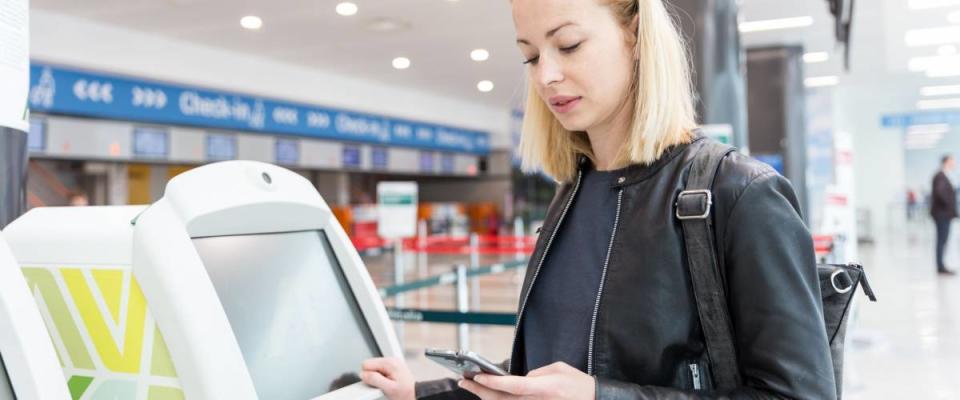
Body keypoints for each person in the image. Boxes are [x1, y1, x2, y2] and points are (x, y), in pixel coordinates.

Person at [360, 0, 836, 398]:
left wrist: (599, 396)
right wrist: (420, 393)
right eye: (530, 56)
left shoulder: (740, 194)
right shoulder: (571, 196)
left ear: (634, 35)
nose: (545, 75)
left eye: (568, 45)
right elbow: (549, 368)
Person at [931, 154, 957, 276]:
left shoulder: (944, 176)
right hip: (942, 214)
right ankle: (940, 266)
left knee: (943, 240)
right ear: (946, 162)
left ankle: (941, 265)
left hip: (943, 214)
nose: (954, 163)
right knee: (942, 240)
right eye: (952, 161)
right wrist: (949, 206)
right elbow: (940, 193)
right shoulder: (940, 176)